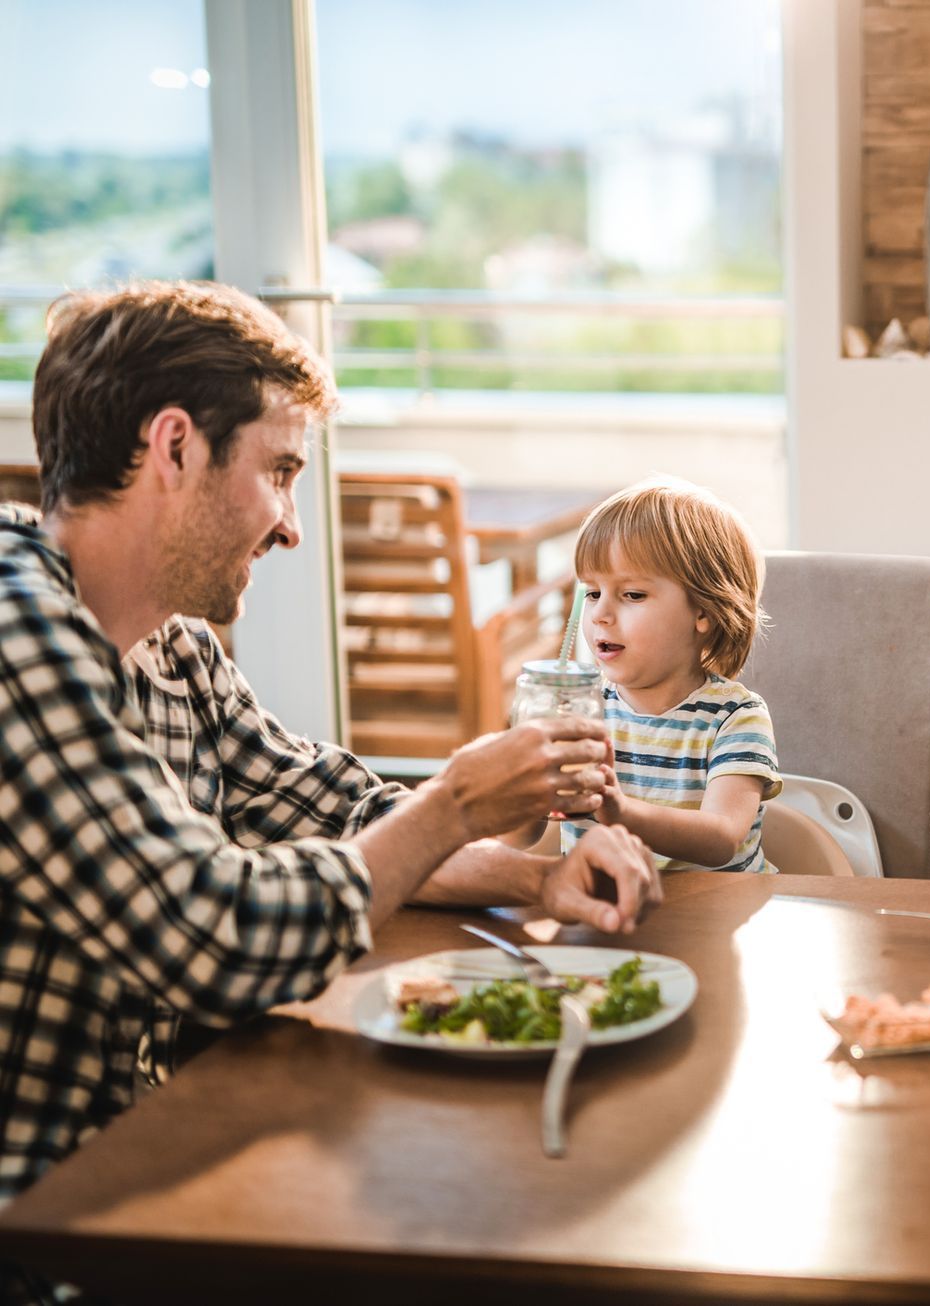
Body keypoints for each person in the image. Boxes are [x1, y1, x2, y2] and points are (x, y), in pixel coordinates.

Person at [0, 282, 661, 1226]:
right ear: (174, 447)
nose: (291, 524)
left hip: (158, 1148)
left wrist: (529, 878)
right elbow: (214, 935)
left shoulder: (171, 647)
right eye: (279, 471)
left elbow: (340, 811)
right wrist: (457, 804)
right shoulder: (16, 634)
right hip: (48, 1218)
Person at [543, 478, 783, 874]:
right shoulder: (584, 712)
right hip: (607, 920)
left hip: (713, 923)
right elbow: (543, 839)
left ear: (703, 611)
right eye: (592, 593)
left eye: (632, 595)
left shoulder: (735, 718)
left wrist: (618, 810)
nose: (601, 614)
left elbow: (721, 838)